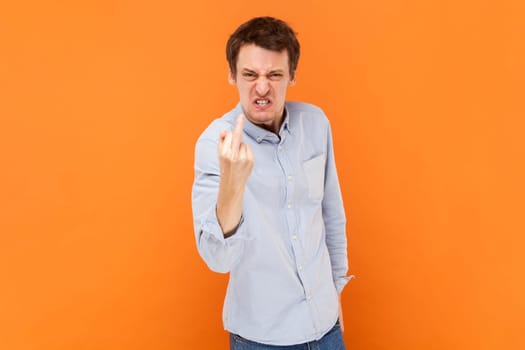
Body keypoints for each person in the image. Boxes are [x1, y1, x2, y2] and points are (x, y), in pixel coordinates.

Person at [192, 16, 353, 349]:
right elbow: (217, 261)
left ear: (291, 76)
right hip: (260, 340)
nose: (262, 87)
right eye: (250, 75)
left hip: (326, 330)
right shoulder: (214, 144)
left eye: (274, 75)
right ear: (232, 75)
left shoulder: (316, 124)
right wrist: (233, 184)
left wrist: (335, 294)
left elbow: (332, 216)